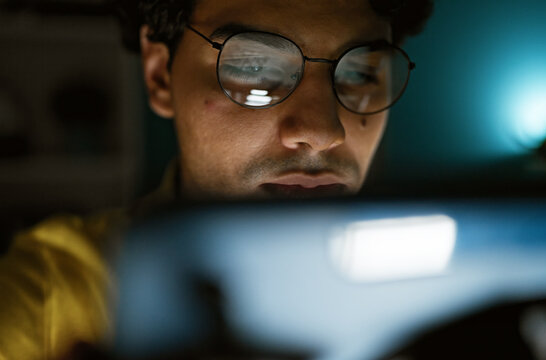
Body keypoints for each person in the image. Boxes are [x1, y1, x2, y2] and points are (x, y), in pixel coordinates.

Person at [0, 0, 433, 358]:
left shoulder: (435, 292)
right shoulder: (48, 295)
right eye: (254, 67)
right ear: (159, 74)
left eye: (360, 74)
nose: (323, 132)